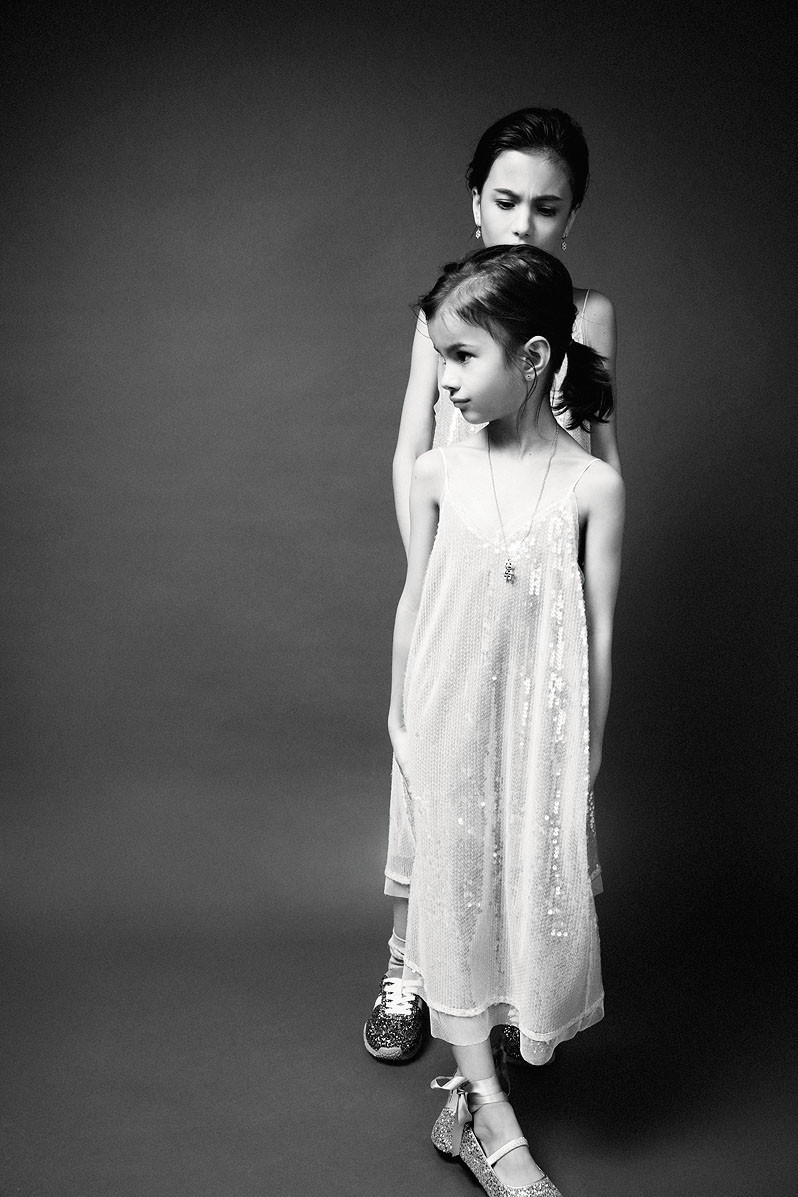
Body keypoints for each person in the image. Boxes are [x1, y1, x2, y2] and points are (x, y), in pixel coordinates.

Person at [365, 107, 621, 1065]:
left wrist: (578, 552)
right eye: (506, 200)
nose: (523, 222)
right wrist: (432, 559)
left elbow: (601, 443)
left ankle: (514, 987)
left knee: (527, 793)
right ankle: (410, 963)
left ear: (572, 216)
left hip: (543, 573)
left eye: (547, 207)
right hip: (459, 562)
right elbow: (411, 447)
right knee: (434, 779)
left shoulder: (586, 317)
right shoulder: (449, 311)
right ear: (475, 202)